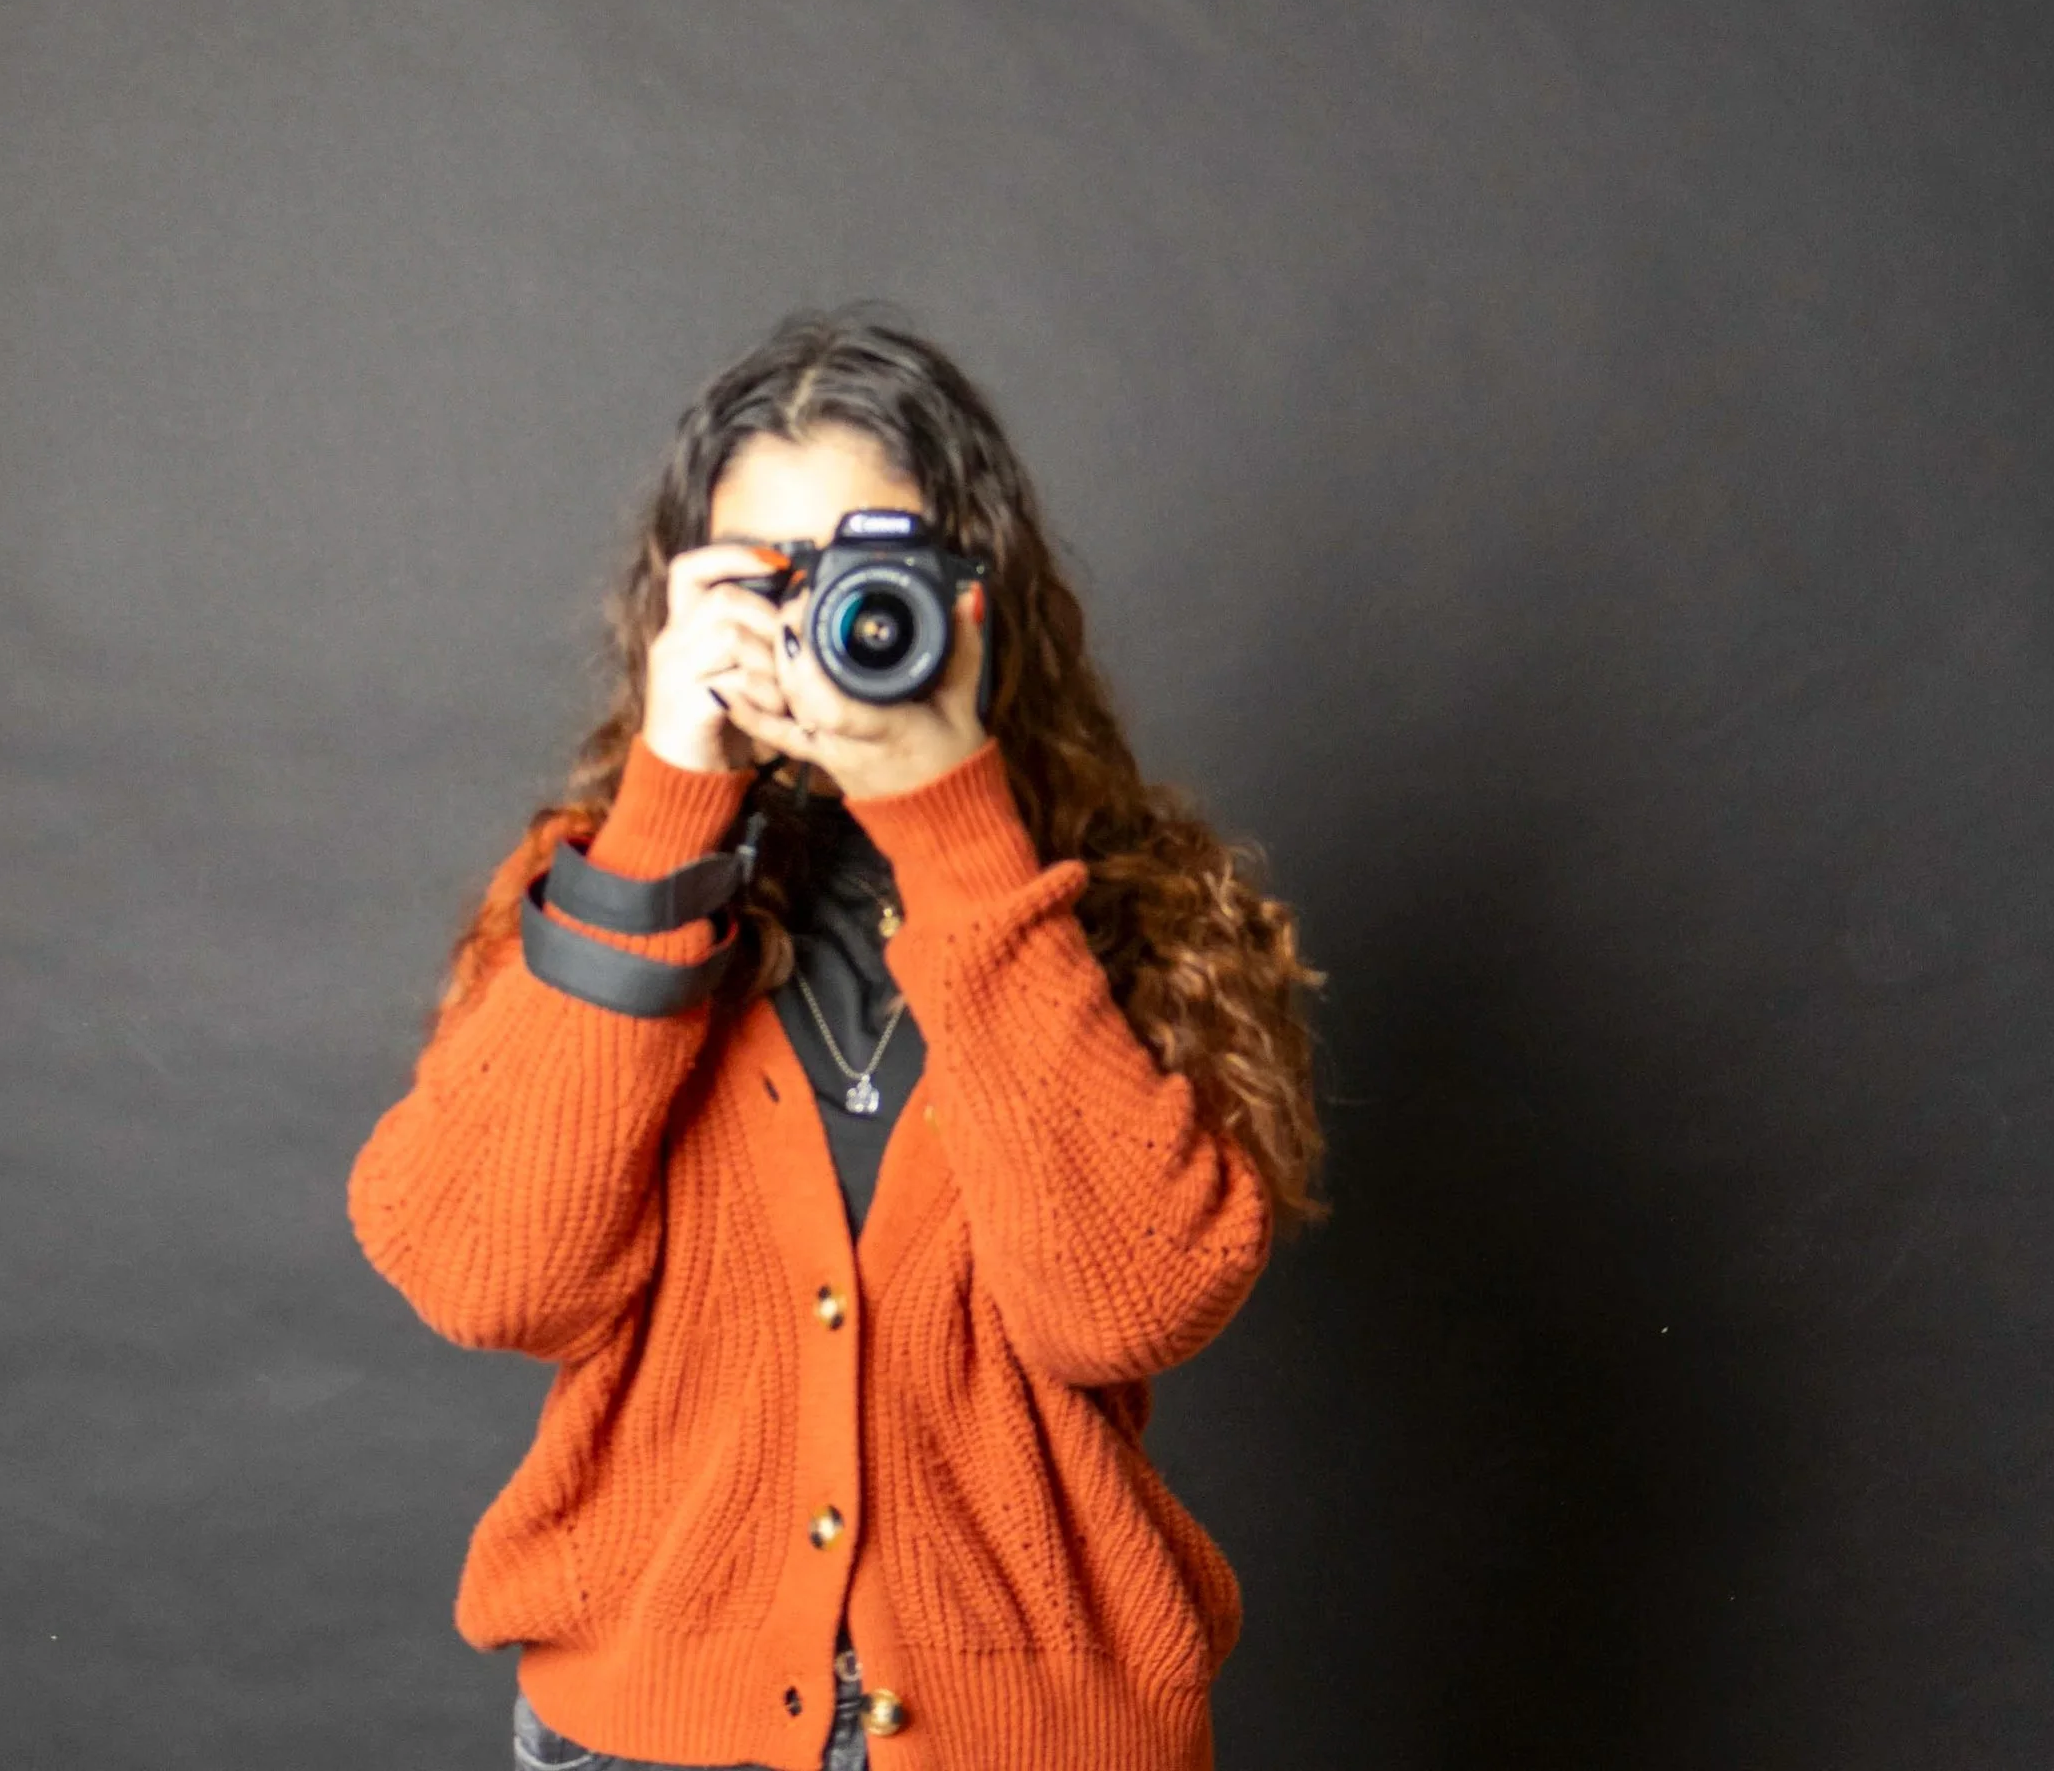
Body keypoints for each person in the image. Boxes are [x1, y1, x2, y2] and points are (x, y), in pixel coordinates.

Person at [347, 311, 1329, 1771]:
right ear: (682, 601)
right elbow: (487, 1277)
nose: (832, 620)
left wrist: (954, 825)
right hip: (650, 1740)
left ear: (977, 593)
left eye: (875, 569)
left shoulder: (1141, 911)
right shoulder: (603, 893)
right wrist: (669, 806)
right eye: (773, 577)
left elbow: (1117, 1309)